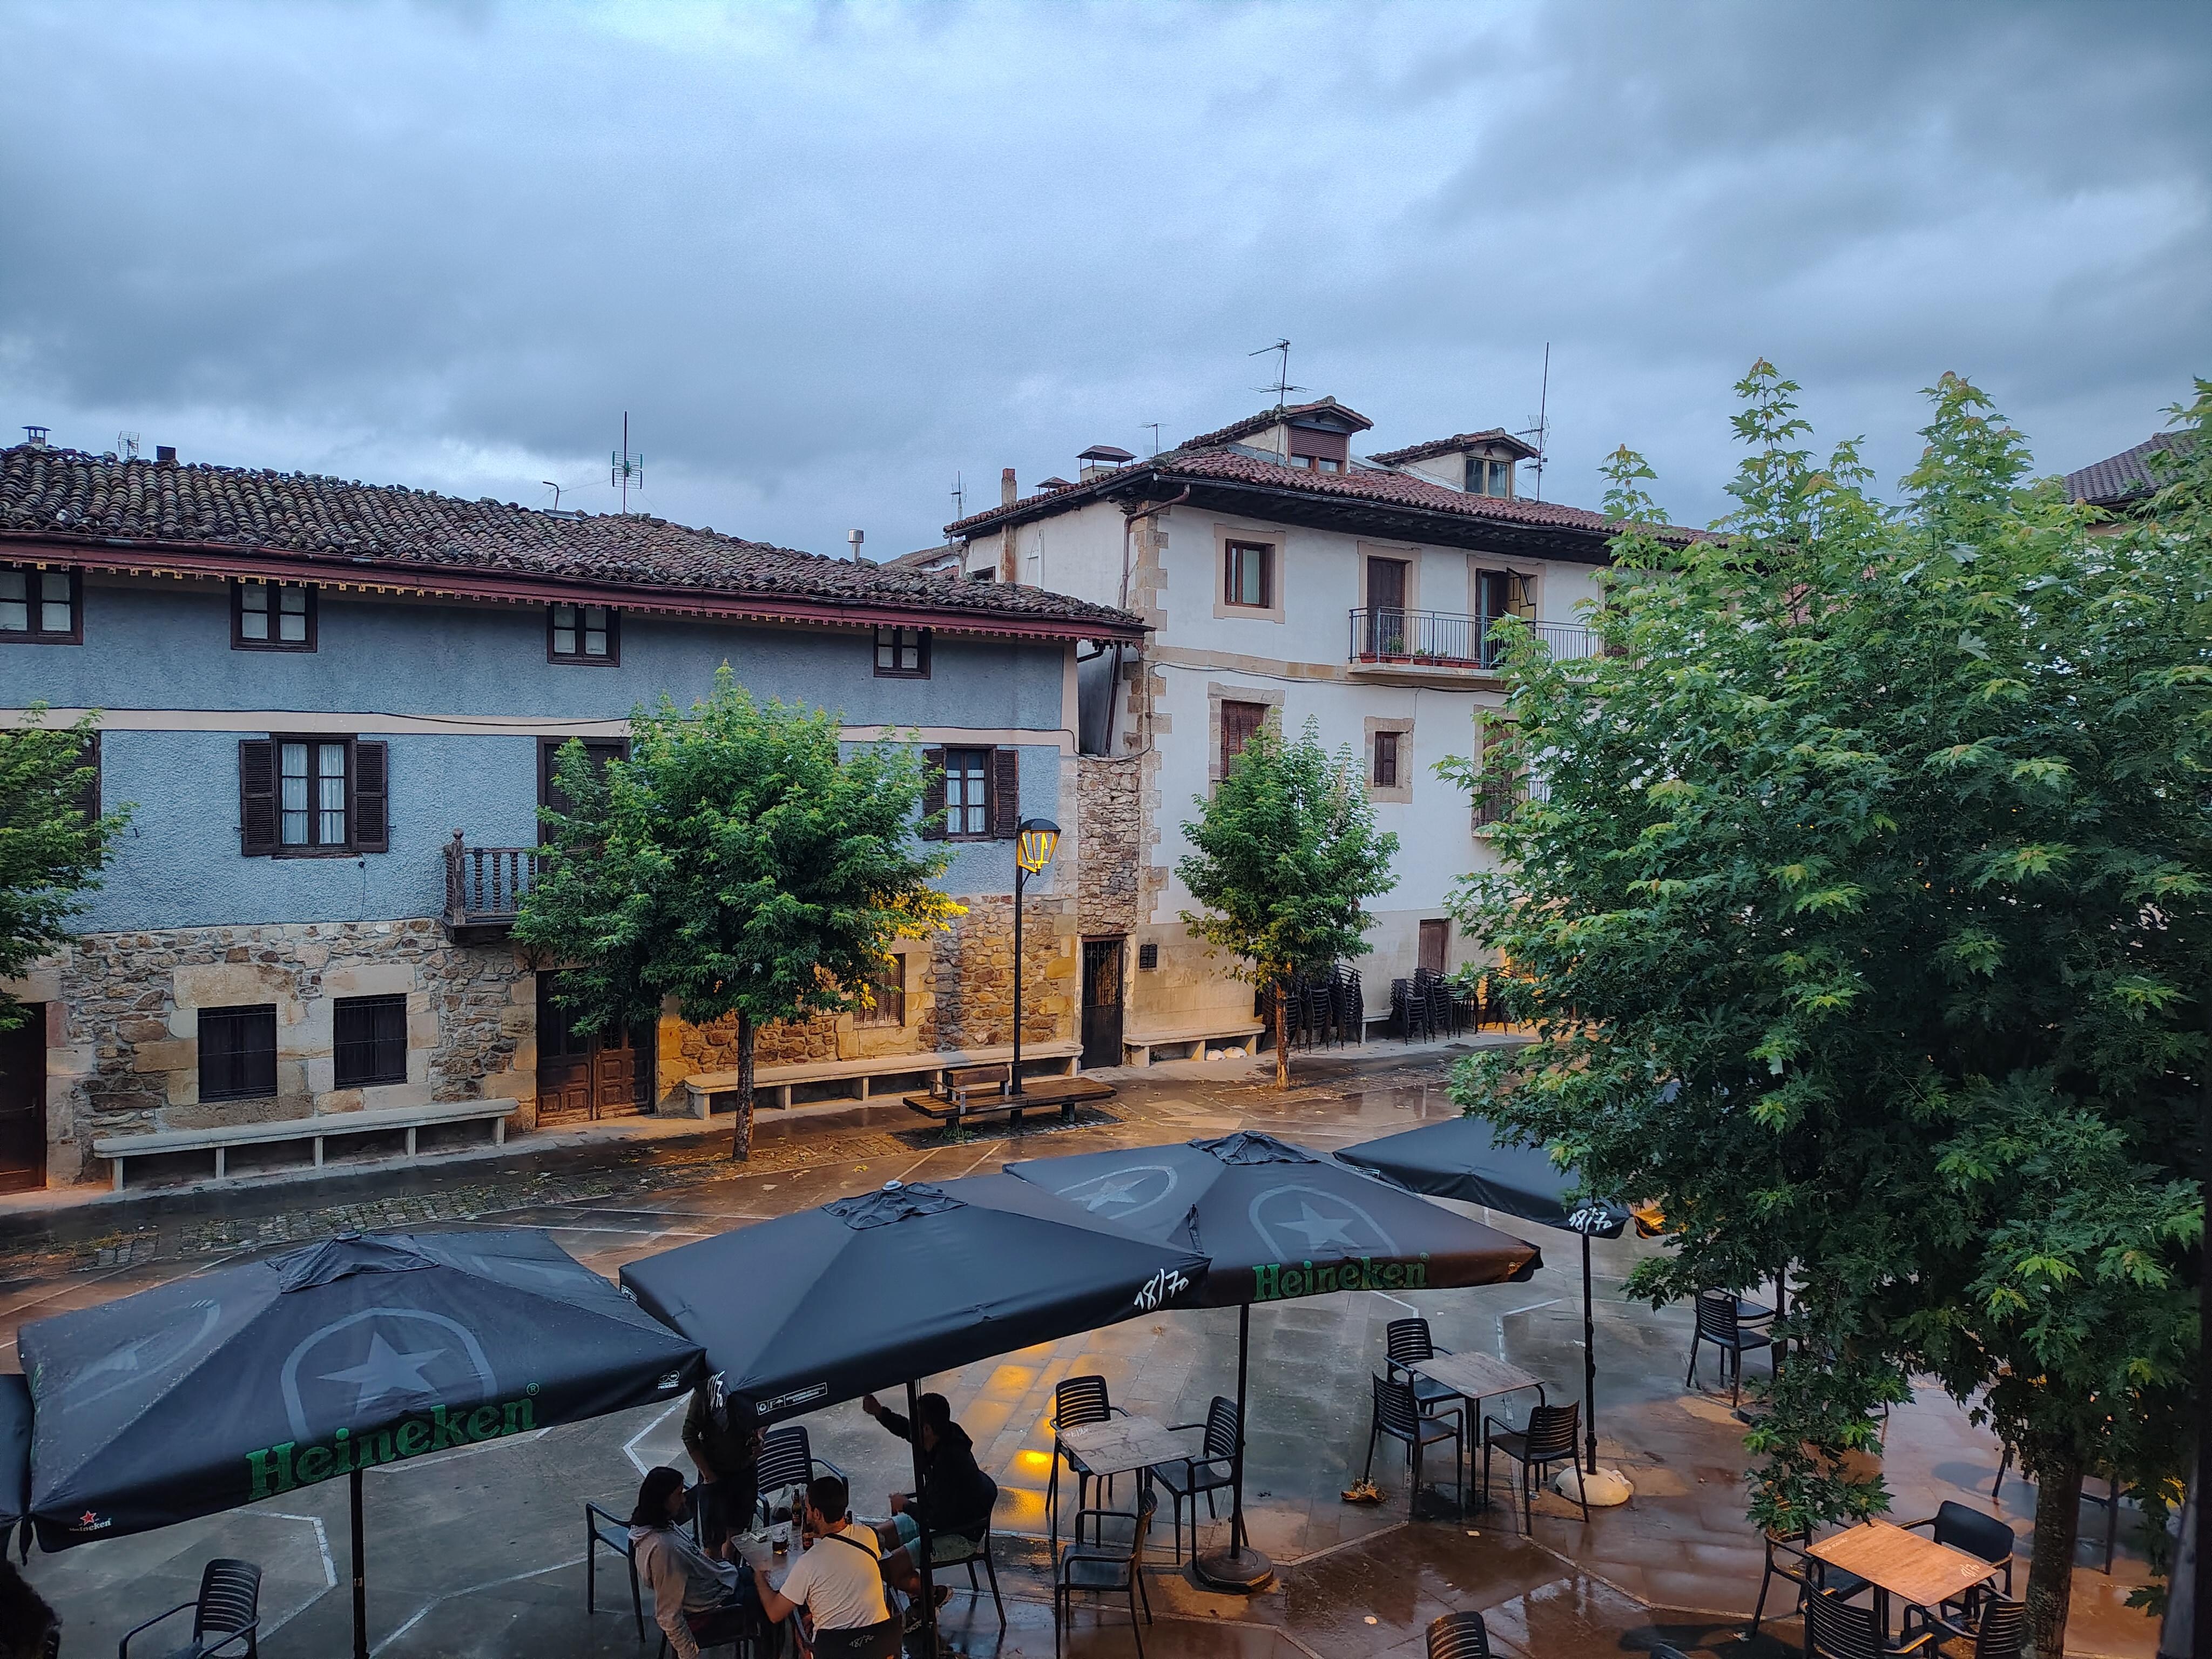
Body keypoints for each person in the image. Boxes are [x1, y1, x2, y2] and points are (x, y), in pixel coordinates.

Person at [753, 1474, 896, 1658]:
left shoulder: (808, 1563)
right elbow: (846, 1570)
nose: (807, 1515)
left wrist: (758, 1576)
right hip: (881, 1647)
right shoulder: (868, 1536)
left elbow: (774, 1613)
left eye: (808, 1509)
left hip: (835, 1652)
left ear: (818, 1514)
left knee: (798, 1627)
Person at [626, 1465, 757, 1659]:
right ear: (662, 1500)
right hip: (713, 1604)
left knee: (765, 1578)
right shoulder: (664, 1550)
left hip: (718, 1581)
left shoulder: (660, 1525)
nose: (684, 1499)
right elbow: (668, 1614)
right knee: (771, 1603)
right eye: (678, 1494)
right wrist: (689, 1653)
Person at [860, 1390, 999, 1570]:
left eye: (916, 1421)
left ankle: (926, 1593)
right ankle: (921, 1594)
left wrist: (906, 1506)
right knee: (872, 1540)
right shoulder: (937, 1437)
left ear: (927, 1429)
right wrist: (879, 1412)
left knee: (888, 1568)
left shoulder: (950, 1464)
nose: (912, 1427)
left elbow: (937, 1518)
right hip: (932, 1514)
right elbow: (905, 1429)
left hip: (958, 1533)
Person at [682, 1373, 763, 1552]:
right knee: (712, 1542)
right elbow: (689, 1435)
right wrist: (708, 1475)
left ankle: (729, 1572)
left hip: (745, 1470)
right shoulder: (708, 1390)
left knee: (737, 1535)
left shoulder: (754, 1380)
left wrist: (759, 1435)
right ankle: (718, 1575)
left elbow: (768, 1411)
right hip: (715, 1473)